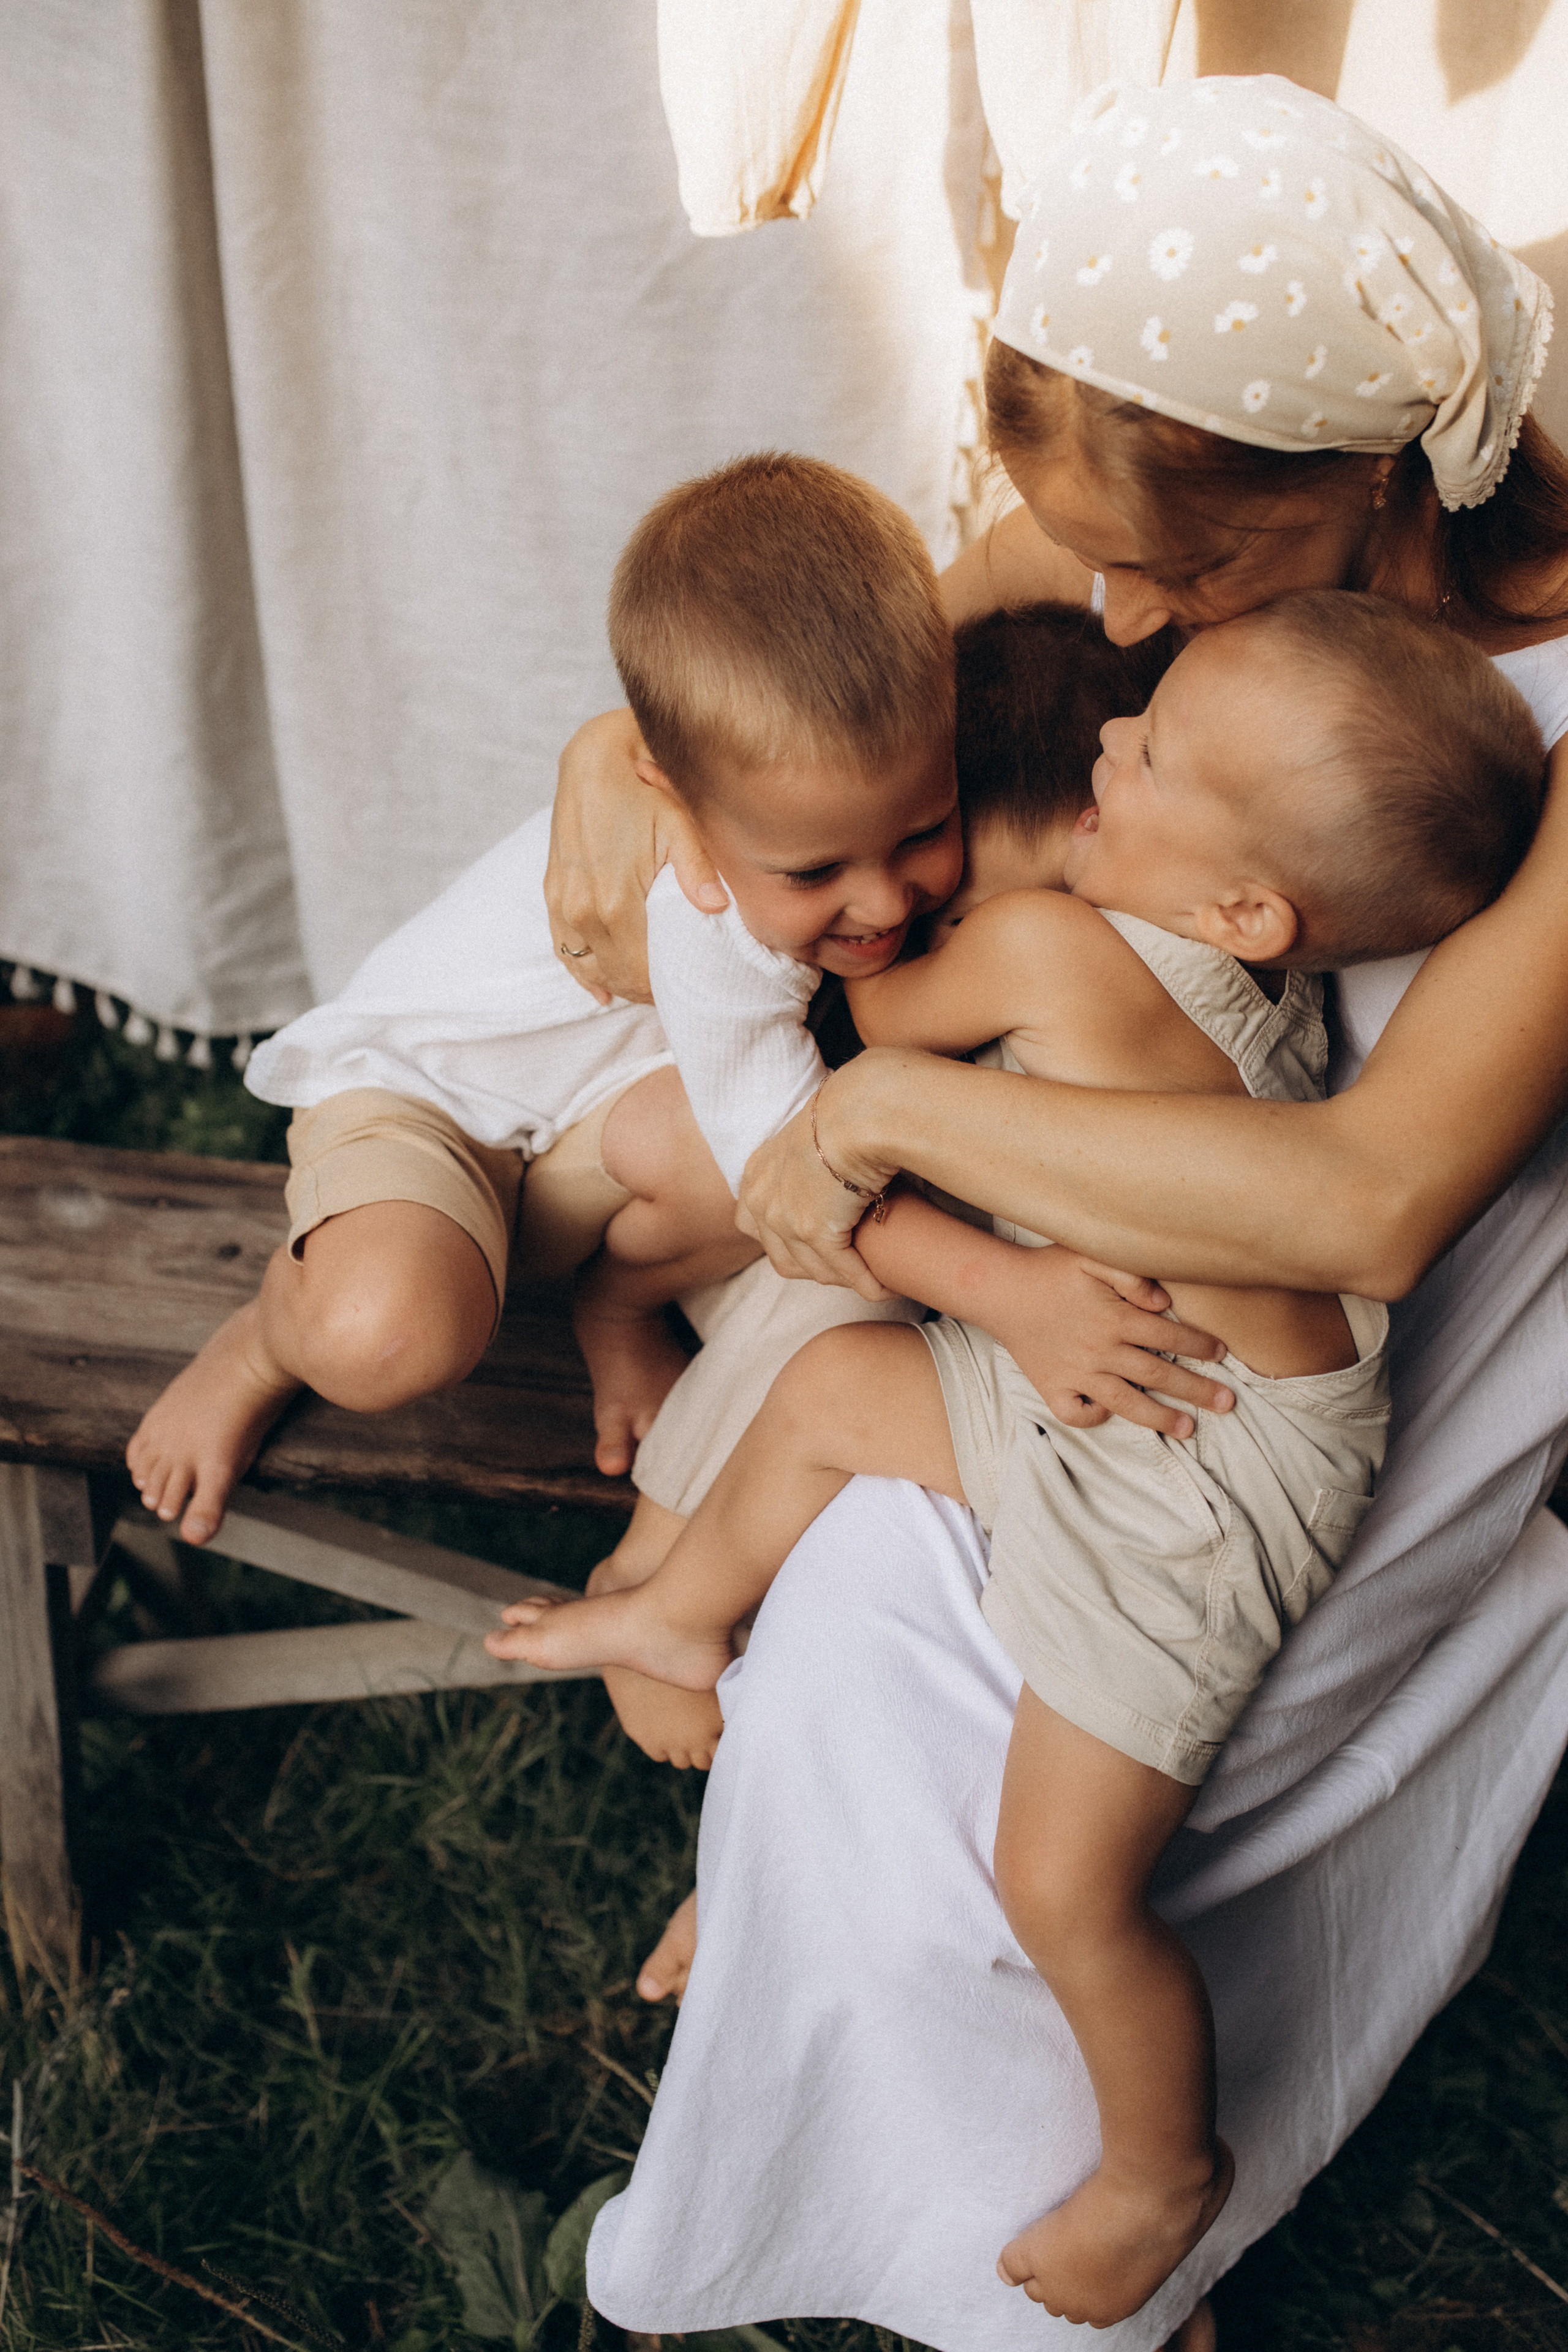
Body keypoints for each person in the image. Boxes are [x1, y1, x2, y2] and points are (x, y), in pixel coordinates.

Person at [534, 76, 1568, 2352]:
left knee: (1044, 1784)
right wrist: (624, 756)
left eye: (1178, 581)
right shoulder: (1162, 524)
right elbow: (824, 661)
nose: (1106, 610)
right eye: (1070, 534)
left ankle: (1092, 2235)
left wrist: (909, 1113)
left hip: (1378, 1324)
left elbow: (1380, 1203)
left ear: (1370, 479)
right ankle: (899, 2156)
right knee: (861, 1664)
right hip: (1110, 1242)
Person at [123, 454, 960, 1536]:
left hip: (605, 1131)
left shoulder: (820, 785)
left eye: (925, 831)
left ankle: (612, 1306)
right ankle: (263, 1339)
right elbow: (807, 1179)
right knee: (384, 1332)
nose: (883, 899)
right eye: (814, 873)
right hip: (436, 1100)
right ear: (668, 788)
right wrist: (1015, 1299)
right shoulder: (699, 898)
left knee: (756, 1143)